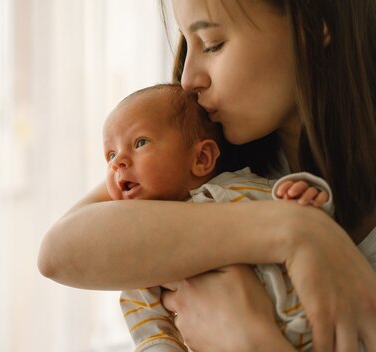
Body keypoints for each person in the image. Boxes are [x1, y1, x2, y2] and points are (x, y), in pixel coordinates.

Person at [39, 0, 376, 350]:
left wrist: (253, 342)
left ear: (311, 28)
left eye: (213, 44)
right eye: (187, 43)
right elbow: (58, 250)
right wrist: (297, 231)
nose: (187, 80)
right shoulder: (202, 161)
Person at [104, 83, 340, 351]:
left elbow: (313, 229)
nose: (117, 162)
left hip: (325, 322)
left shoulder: (242, 186)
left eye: (140, 142)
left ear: (202, 157)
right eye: (110, 154)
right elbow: (150, 330)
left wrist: (308, 196)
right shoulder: (145, 248)